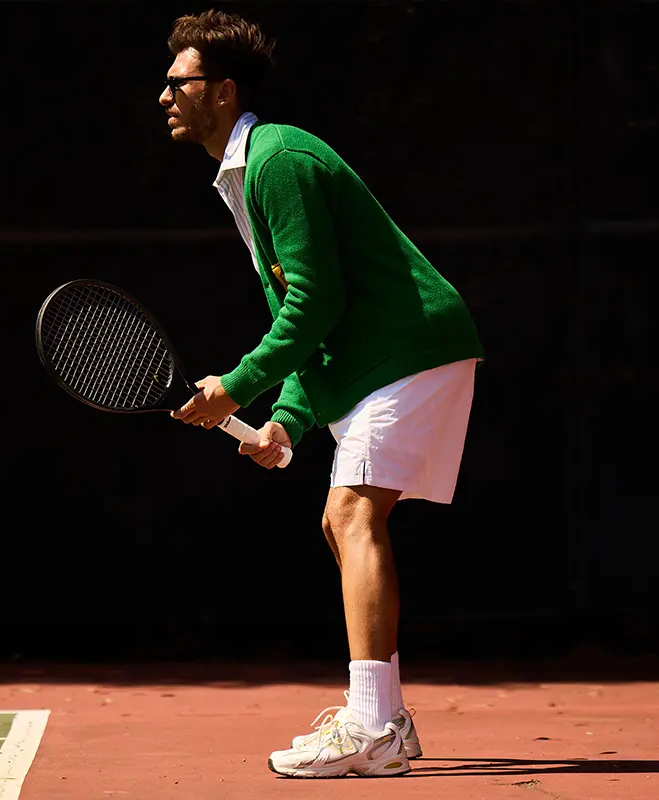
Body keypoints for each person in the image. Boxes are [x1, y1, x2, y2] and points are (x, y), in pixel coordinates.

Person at [160, 8, 484, 779]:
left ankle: (371, 728)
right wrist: (285, 421)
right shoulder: (246, 172)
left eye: (181, 82)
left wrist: (237, 385)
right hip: (385, 358)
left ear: (224, 91)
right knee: (343, 527)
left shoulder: (277, 159)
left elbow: (314, 303)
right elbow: (300, 310)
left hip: (409, 349)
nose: (164, 96)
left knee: (352, 514)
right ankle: (387, 720)